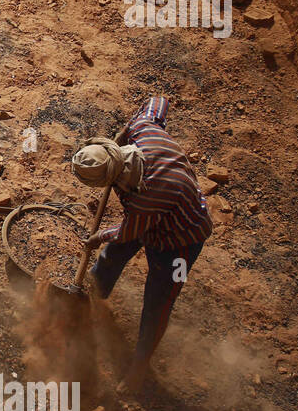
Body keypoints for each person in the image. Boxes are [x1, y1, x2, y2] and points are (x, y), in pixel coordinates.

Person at [72, 96, 213, 392]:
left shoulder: (146, 196)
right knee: (109, 261)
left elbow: (126, 231)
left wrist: (96, 237)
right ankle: (88, 308)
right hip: (148, 218)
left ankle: (139, 368)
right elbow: (159, 101)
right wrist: (125, 131)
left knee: (158, 302)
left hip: (182, 240)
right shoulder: (143, 128)